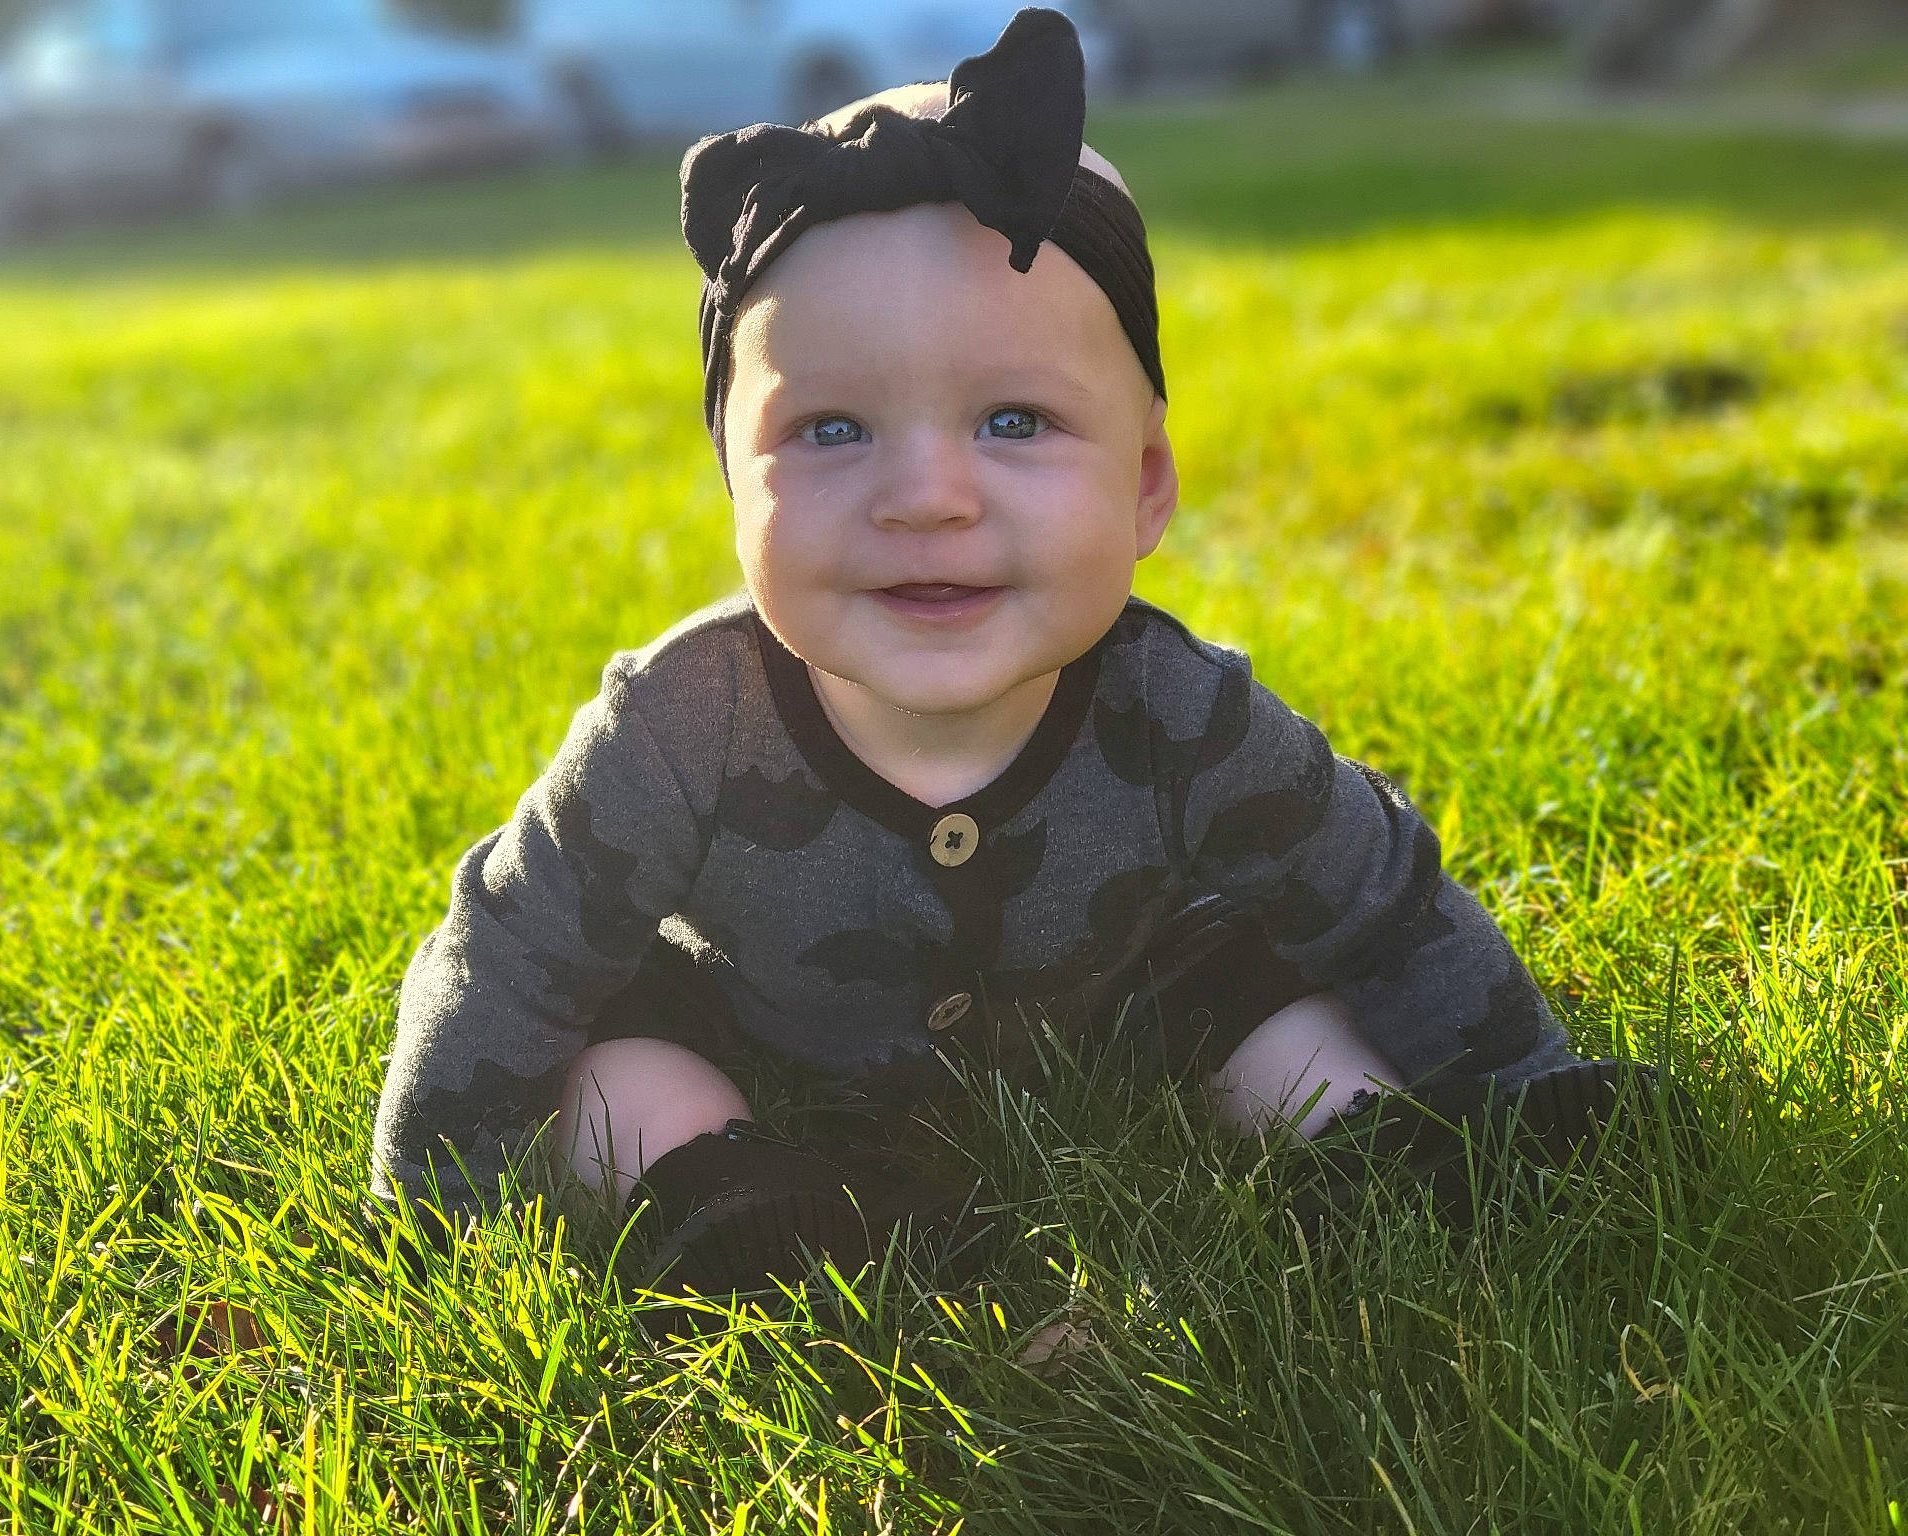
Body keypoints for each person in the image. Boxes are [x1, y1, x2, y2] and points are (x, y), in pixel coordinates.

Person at [368, 9, 1668, 1301]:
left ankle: (1362, 1158)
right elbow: (513, 943)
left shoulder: (1184, 713)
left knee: (1269, 989)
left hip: (1129, 1009)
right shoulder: (677, 726)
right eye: (830, 431)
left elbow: (1381, 897)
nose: (927, 496)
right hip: (763, 1037)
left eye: (1012, 420)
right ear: (733, 488)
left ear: (1146, 485)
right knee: (617, 1050)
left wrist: (1525, 1085)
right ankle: (747, 1206)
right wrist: (429, 1208)